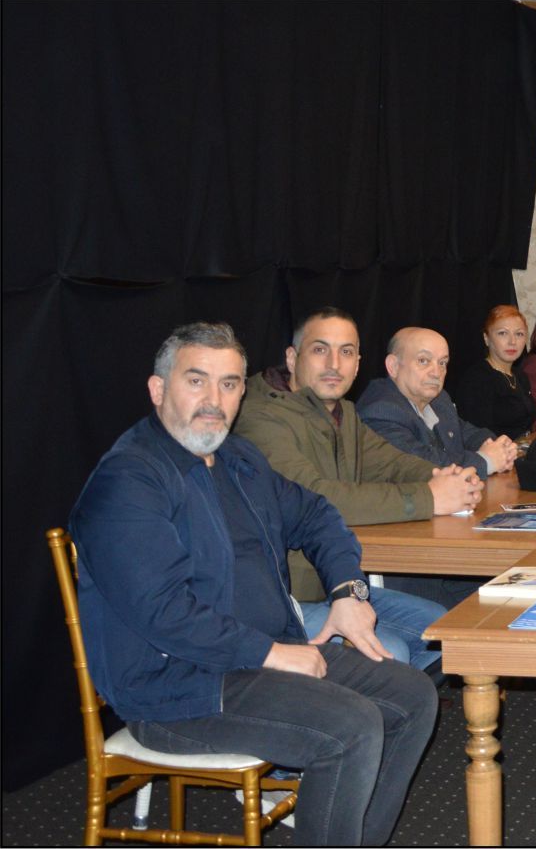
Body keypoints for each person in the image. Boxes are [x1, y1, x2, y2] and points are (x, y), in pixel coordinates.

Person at [71, 322, 436, 846]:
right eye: (196, 381)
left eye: (228, 384)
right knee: (349, 727)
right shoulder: (129, 481)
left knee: (412, 695)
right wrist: (271, 653)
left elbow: (317, 515)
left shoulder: (238, 460)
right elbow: (163, 612)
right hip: (176, 688)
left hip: (264, 656)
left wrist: (347, 592)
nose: (213, 400)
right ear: (158, 389)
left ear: (243, 391)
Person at [234, 307, 482, 670]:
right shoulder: (260, 418)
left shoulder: (342, 414)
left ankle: (393, 696)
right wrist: (430, 497)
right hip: (284, 598)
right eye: (320, 350)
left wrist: (451, 477)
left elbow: (391, 462)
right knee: (392, 653)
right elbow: (317, 496)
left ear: (357, 363)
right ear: (292, 357)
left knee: (444, 626)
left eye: (346, 352)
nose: (334, 364)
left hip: (336, 581)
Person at [358, 327, 519, 479]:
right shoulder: (380, 411)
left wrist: (497, 446)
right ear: (393, 366)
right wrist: (486, 460)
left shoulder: (439, 398)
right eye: (423, 361)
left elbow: (464, 431)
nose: (436, 373)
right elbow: (423, 465)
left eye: (442, 363)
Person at [450, 305, 536, 439]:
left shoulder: (520, 376)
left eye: (519, 334)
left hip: (524, 447)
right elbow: (478, 436)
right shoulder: (476, 379)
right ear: (486, 338)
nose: (512, 341)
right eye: (503, 333)